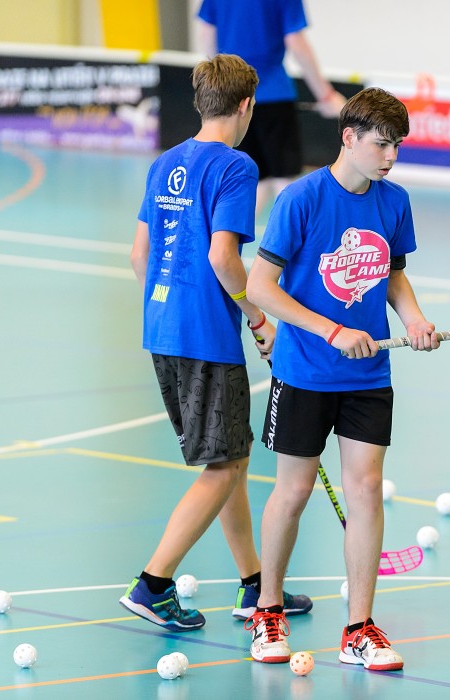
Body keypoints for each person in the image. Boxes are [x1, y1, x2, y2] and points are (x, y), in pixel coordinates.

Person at [244, 87, 439, 670]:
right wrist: (331, 332)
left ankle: (359, 627)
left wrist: (414, 318)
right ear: (349, 138)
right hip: (305, 370)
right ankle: (267, 610)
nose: (391, 157)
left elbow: (393, 273)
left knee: (366, 489)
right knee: (294, 491)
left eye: (398, 146)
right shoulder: (301, 199)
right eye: (382, 144)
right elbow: (260, 287)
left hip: (368, 371)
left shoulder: (393, 201)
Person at [120, 54, 312, 632]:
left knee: (231, 458)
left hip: (161, 331)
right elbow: (224, 257)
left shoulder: (165, 162)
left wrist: (170, 310)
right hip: (205, 337)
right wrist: (257, 317)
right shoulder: (236, 166)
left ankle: (255, 584)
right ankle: (153, 584)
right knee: (223, 467)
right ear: (247, 105)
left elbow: (139, 256)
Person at [196, 0, 348, 216]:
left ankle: (230, 237)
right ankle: (290, 237)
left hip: (235, 96)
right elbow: (296, 42)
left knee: (255, 180)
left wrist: (221, 85)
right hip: (274, 96)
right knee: (284, 179)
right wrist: (326, 95)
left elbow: (206, 32)